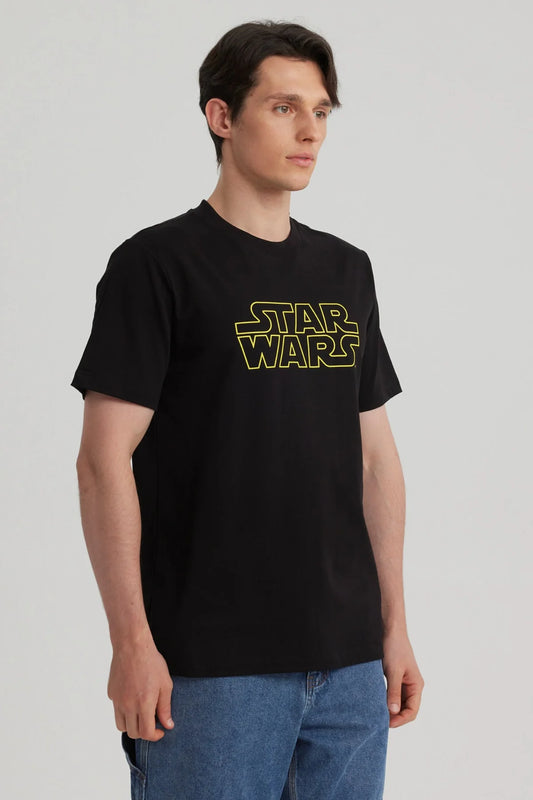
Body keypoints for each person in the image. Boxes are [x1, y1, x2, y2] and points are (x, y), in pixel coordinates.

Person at [72, 19, 424, 800]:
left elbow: (375, 460)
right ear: (221, 116)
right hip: (211, 671)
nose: (309, 131)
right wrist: (131, 641)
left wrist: (392, 628)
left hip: (348, 667)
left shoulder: (345, 271)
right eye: (283, 107)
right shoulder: (156, 265)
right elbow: (102, 461)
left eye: (321, 111)